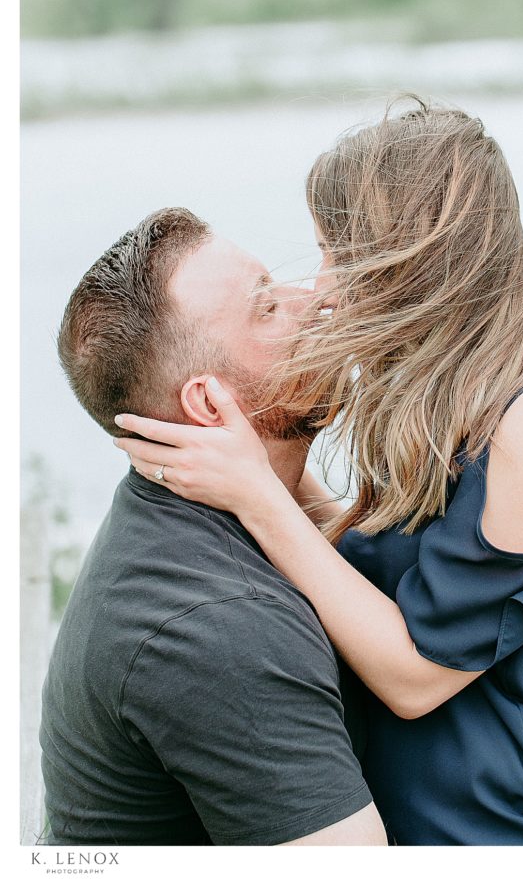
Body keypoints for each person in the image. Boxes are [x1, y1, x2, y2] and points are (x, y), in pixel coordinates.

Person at [116, 99, 523, 846]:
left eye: (343, 253)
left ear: (412, 251)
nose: (328, 288)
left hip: (517, 837)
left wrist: (259, 495)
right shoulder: (469, 353)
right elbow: (402, 581)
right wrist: (256, 466)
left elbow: (415, 676)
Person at [40, 207, 385, 846]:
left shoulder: (192, 520)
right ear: (208, 404)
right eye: (266, 307)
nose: (313, 298)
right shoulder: (214, 627)